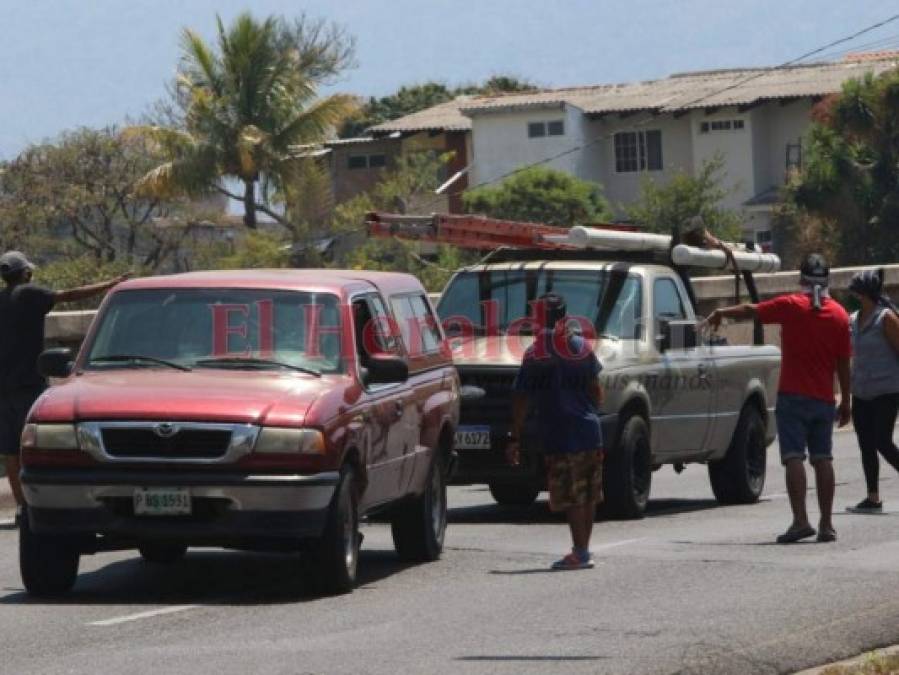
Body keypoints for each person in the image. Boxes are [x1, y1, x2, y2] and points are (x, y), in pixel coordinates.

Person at [707, 254, 851, 544]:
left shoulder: (790, 306)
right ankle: (826, 524)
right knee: (823, 459)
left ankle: (800, 521)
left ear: (802, 279)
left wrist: (722, 313)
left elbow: (752, 309)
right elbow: (843, 363)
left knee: (794, 457)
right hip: (823, 399)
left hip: (792, 397)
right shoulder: (839, 315)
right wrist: (846, 400)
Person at [0, 251, 128, 509]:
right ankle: (33, 506)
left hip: (2, 388)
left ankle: (21, 506)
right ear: (26, 273)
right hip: (28, 384)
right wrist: (110, 284)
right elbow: (69, 295)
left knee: (10, 451)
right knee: (30, 447)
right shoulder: (31, 294)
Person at [508, 293, 604, 570]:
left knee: (573, 495)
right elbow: (597, 392)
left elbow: (521, 397)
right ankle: (584, 550)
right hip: (590, 430)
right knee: (588, 493)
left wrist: (515, 435)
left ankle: (580, 553)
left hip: (562, 432)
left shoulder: (536, 353)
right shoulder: (582, 346)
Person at [845, 269, 899, 513]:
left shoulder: (886, 318)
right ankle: (873, 497)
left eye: (856, 291)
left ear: (864, 293)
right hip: (861, 392)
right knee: (866, 444)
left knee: (882, 441)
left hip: (886, 390)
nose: (852, 295)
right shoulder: (853, 319)